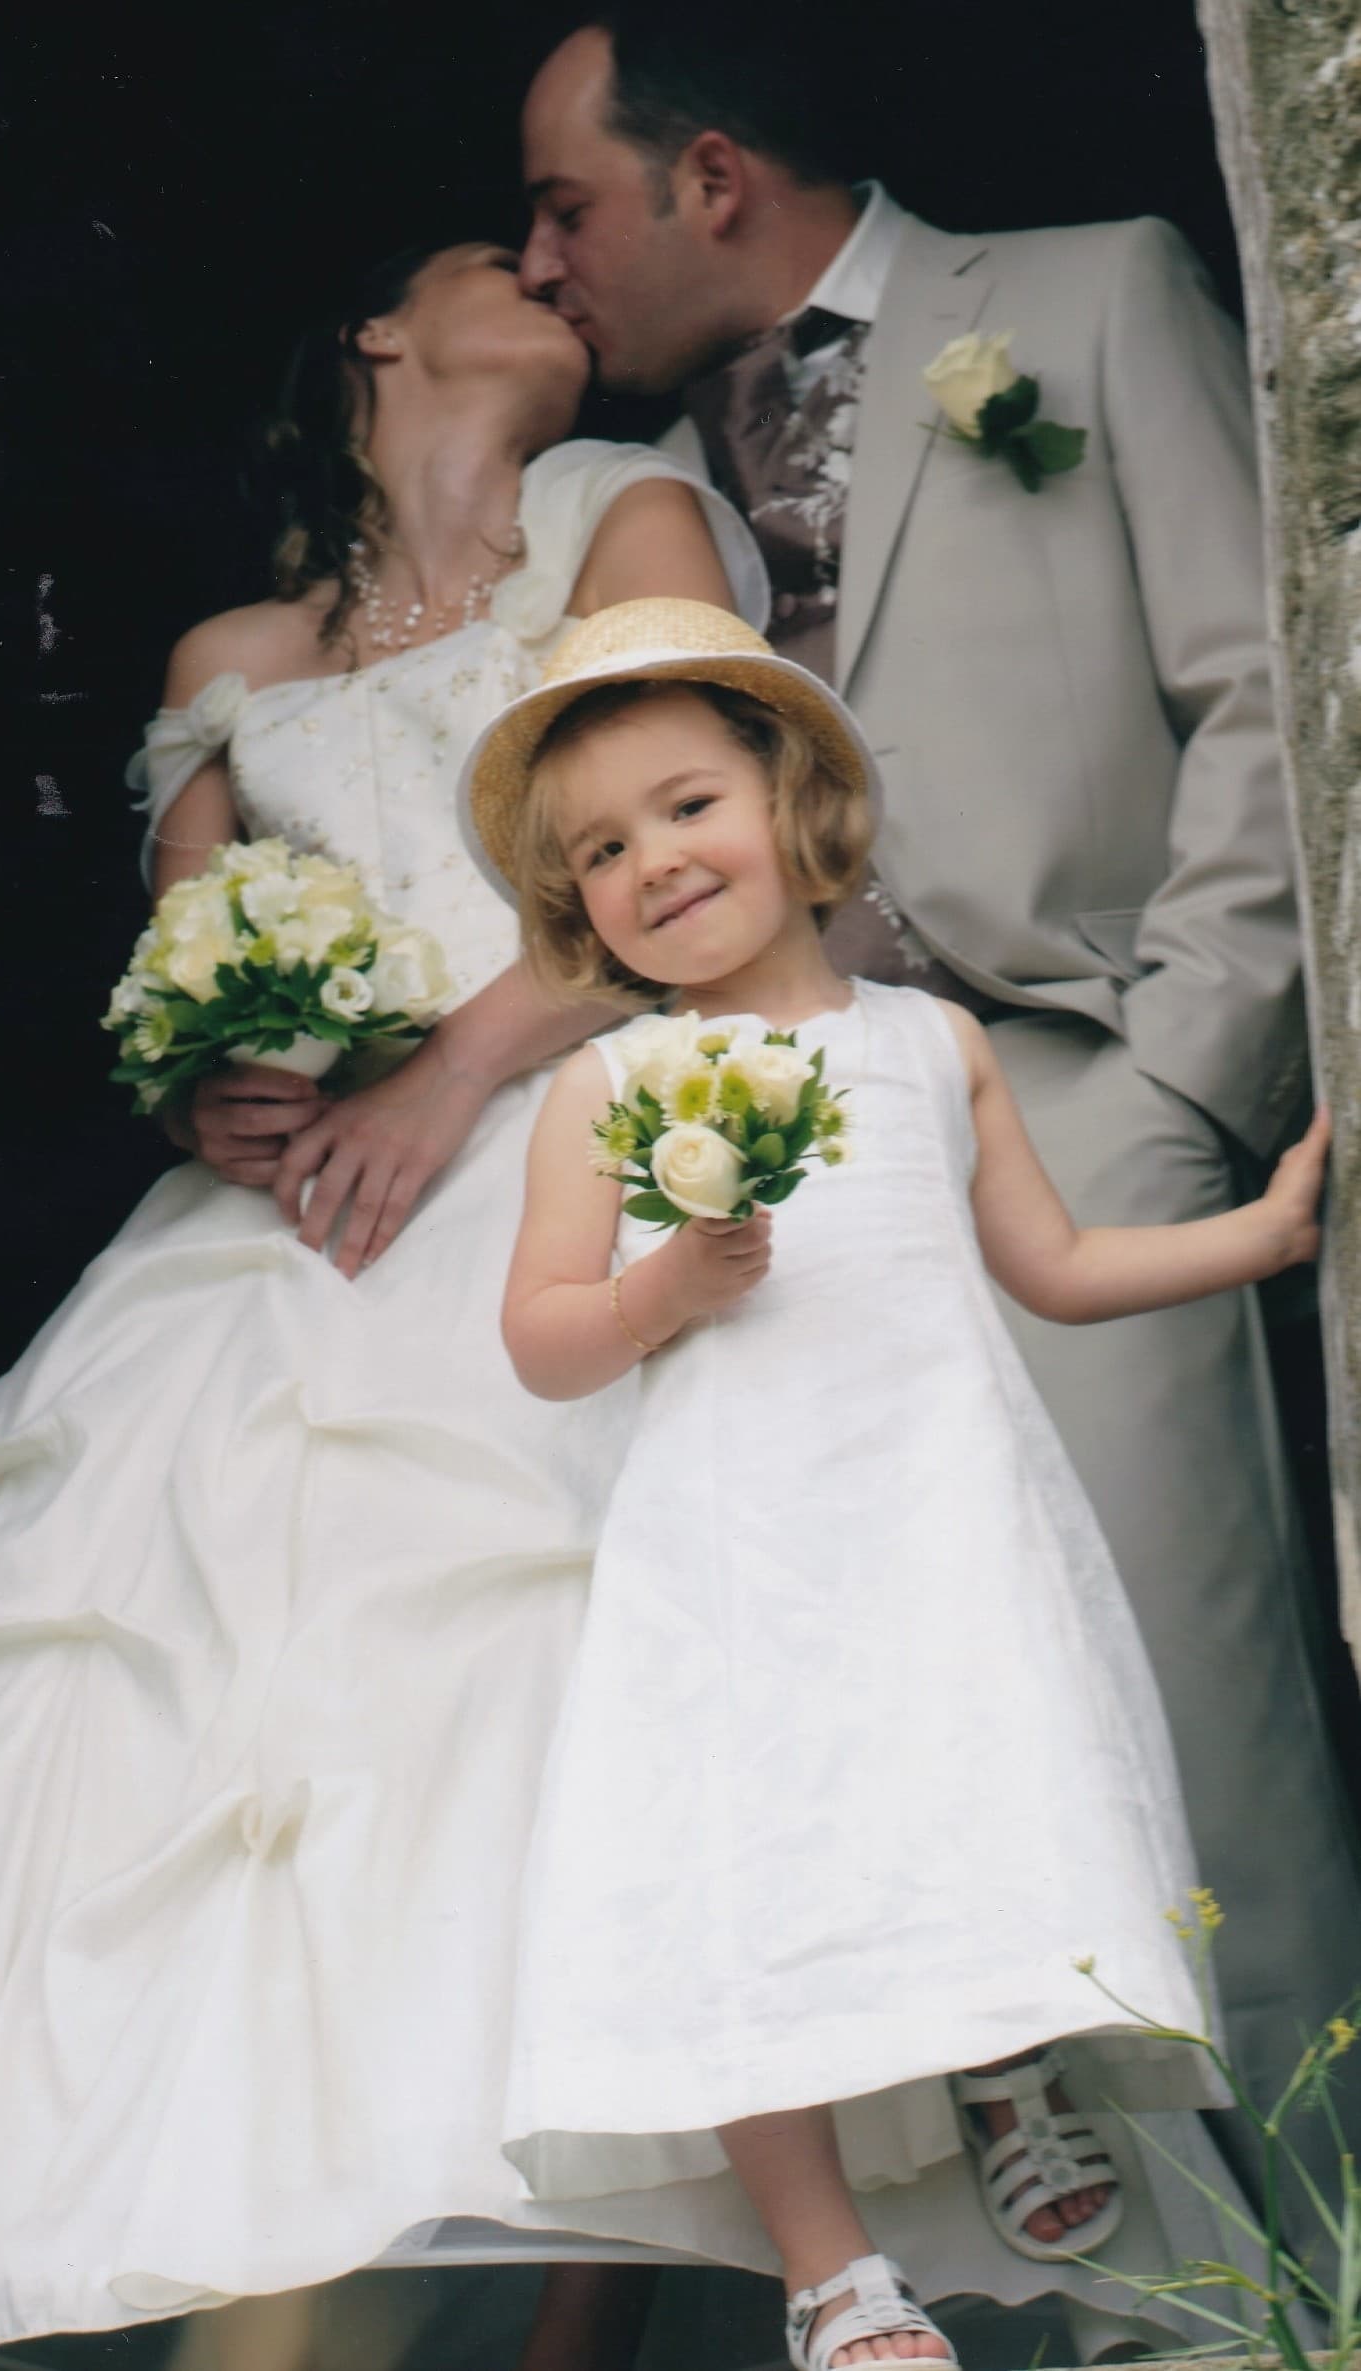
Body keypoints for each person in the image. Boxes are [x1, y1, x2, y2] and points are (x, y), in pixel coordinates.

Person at [0, 242, 773, 2371]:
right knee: (161, 1750)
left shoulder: (629, 510)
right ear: (376, 343)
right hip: (286, 1245)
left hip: (554, 1157)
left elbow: (703, 867)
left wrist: (446, 1071)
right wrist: (217, 1081)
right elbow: (178, 988)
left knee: (500, 1730)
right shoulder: (232, 656)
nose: (550, 275)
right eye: (491, 260)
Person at [515, 12, 1361, 2235]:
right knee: (858, 1748)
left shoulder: (1079, 297)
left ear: (707, 178)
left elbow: (1257, 683)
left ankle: (1312, 2270)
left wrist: (1183, 1078)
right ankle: (1049, 2292)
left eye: (565, 207)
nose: (535, 263)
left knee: (1169, 1718)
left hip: (1060, 1089)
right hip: (763, 1171)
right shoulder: (633, 497)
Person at [456, 595, 1330, 2371]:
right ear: (575, 909)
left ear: (793, 803)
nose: (654, 863)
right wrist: (662, 1286)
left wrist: (1266, 1229)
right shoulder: (614, 1084)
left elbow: (1057, 1266)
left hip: (938, 1516)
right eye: (604, 852)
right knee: (748, 1871)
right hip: (738, 1546)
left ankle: (1006, 2071)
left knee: (973, 1792)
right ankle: (829, 2269)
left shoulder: (932, 1048)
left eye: (686, 806)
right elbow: (541, 1336)